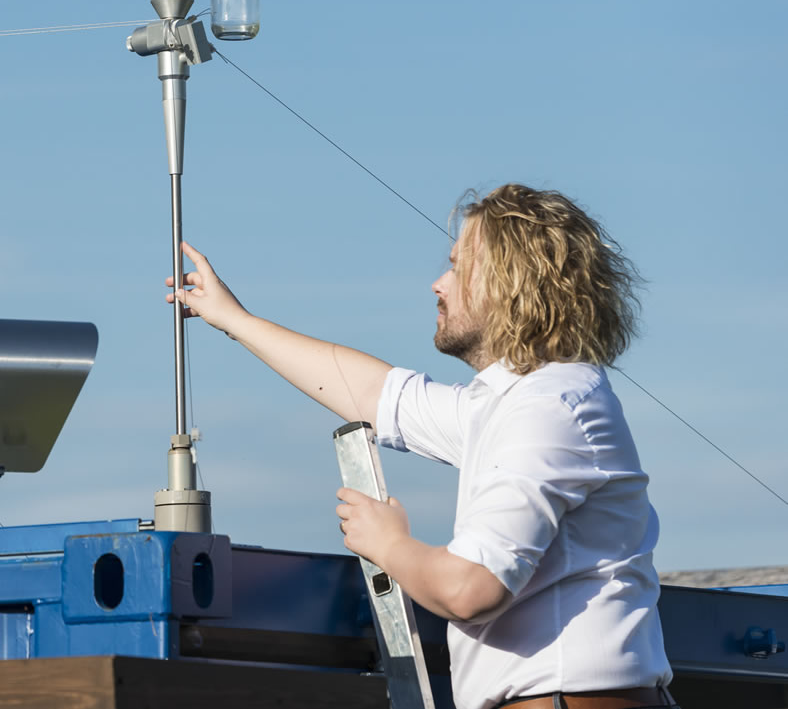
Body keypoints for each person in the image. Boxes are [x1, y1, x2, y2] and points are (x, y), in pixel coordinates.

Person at [167, 184, 675, 709]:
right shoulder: (520, 403)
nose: (439, 283)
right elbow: (371, 392)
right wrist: (236, 321)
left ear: (512, 280)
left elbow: (468, 588)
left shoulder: (545, 408)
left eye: (458, 265)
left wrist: (389, 544)